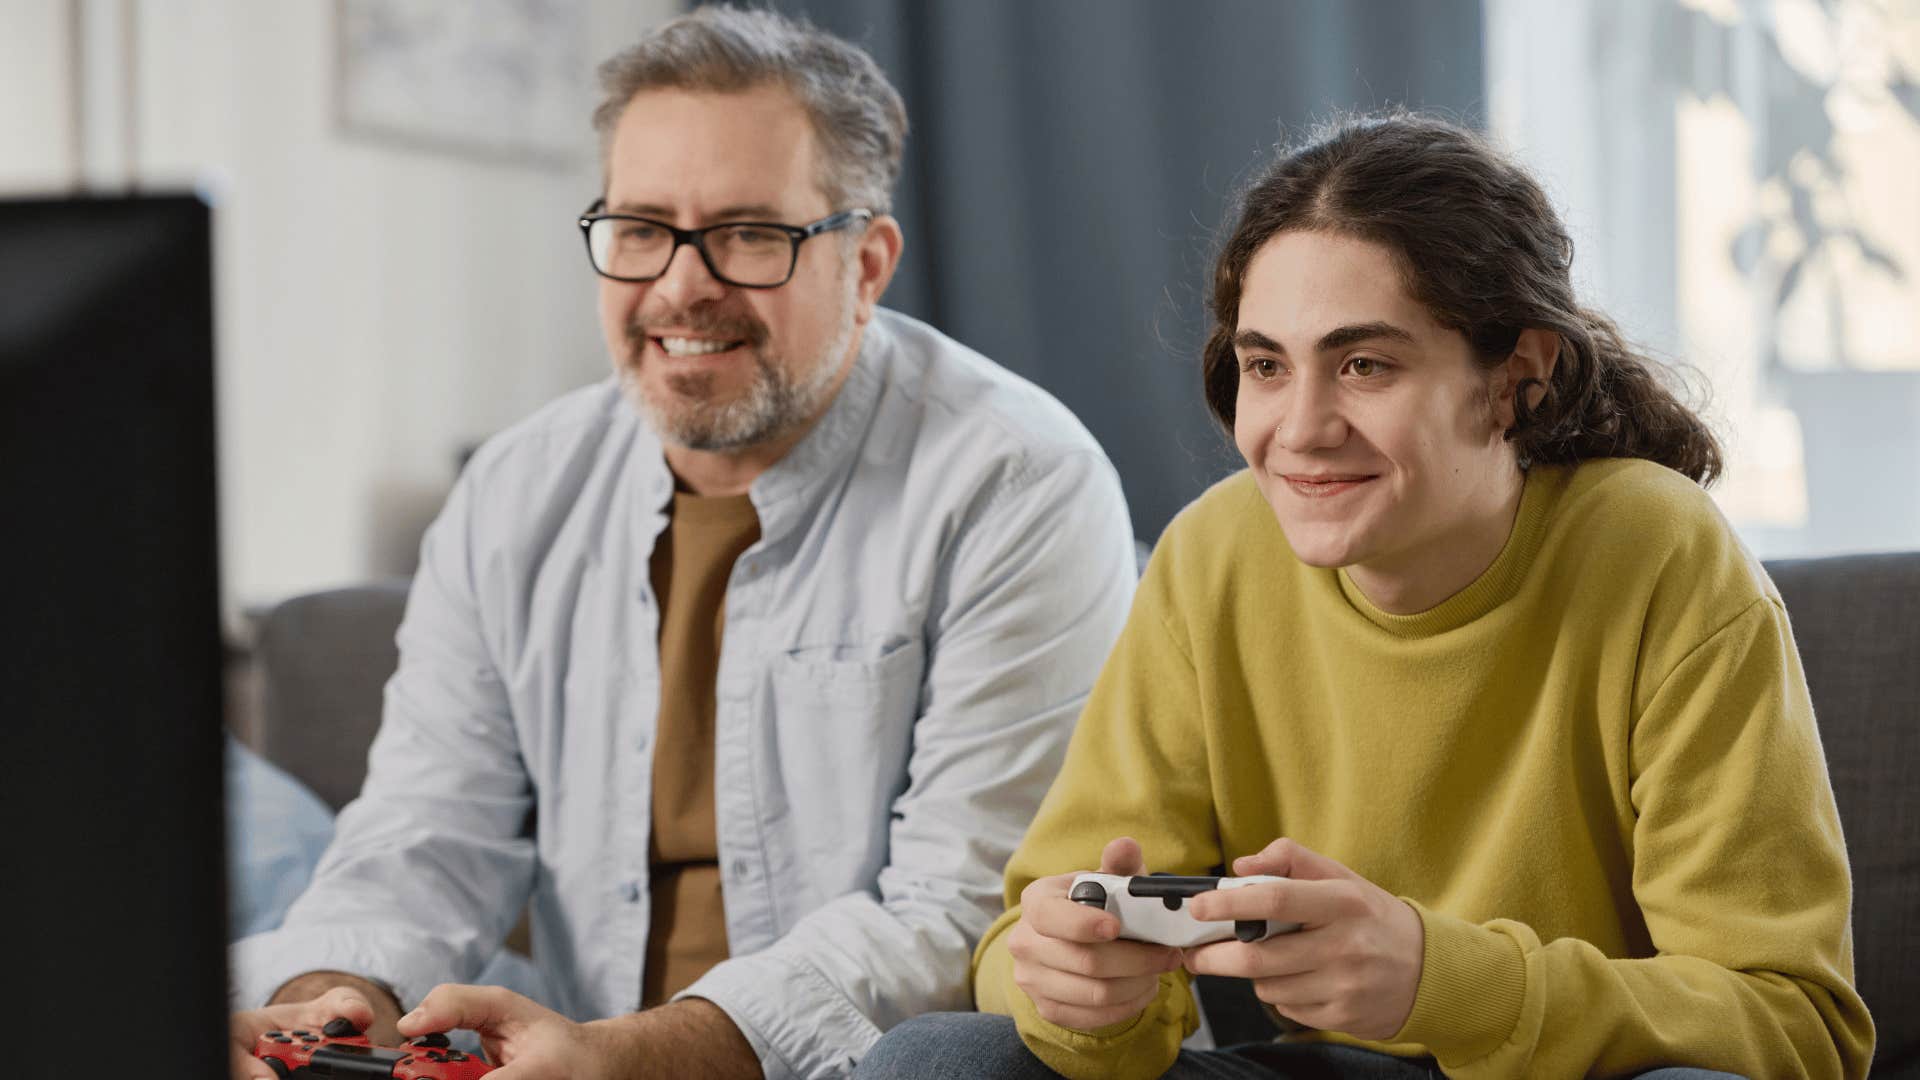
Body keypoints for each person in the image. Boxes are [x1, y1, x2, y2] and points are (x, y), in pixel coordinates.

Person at [858, 114, 1876, 1079]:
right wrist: (1073, 988)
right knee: (936, 1059)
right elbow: (1017, 948)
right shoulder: (1214, 553)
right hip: (1307, 1067)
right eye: (1267, 365)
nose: (1300, 428)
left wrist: (1445, 983)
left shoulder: (1659, 554)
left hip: (1568, 1070)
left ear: (1516, 375)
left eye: (1365, 364)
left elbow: (1796, 1026)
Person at [225, 7, 1136, 1079]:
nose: (678, 285)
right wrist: (323, 1005)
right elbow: (426, 839)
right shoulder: (514, 493)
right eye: (642, 226)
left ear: (869, 262)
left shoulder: (1017, 482)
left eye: (751, 233)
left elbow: (958, 914)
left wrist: (623, 1057)